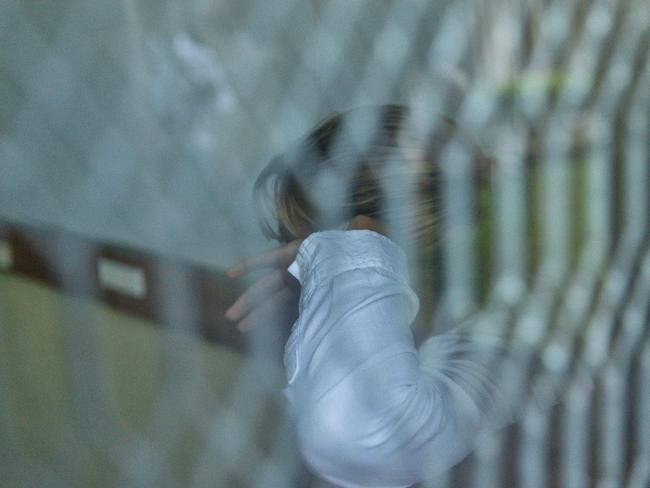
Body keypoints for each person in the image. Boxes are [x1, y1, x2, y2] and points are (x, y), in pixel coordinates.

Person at [225, 105, 513, 487]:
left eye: (314, 247)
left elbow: (355, 430)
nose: (308, 265)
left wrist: (354, 248)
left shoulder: (496, 354)